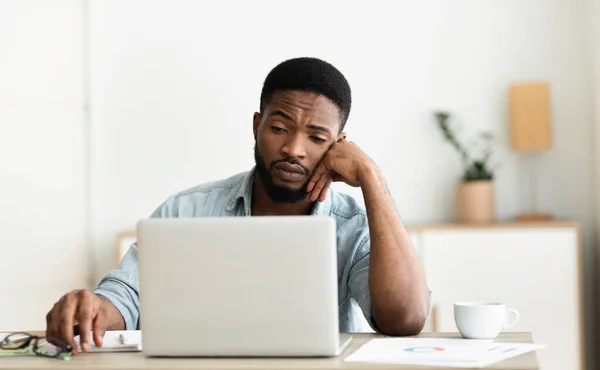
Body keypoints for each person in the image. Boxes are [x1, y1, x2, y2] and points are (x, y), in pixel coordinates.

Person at [45, 57, 432, 353]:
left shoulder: (352, 225)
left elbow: (406, 319)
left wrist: (371, 179)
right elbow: (126, 297)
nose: (293, 149)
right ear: (256, 126)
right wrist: (93, 308)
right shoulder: (187, 211)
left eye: (316, 137)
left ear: (338, 145)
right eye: (279, 128)